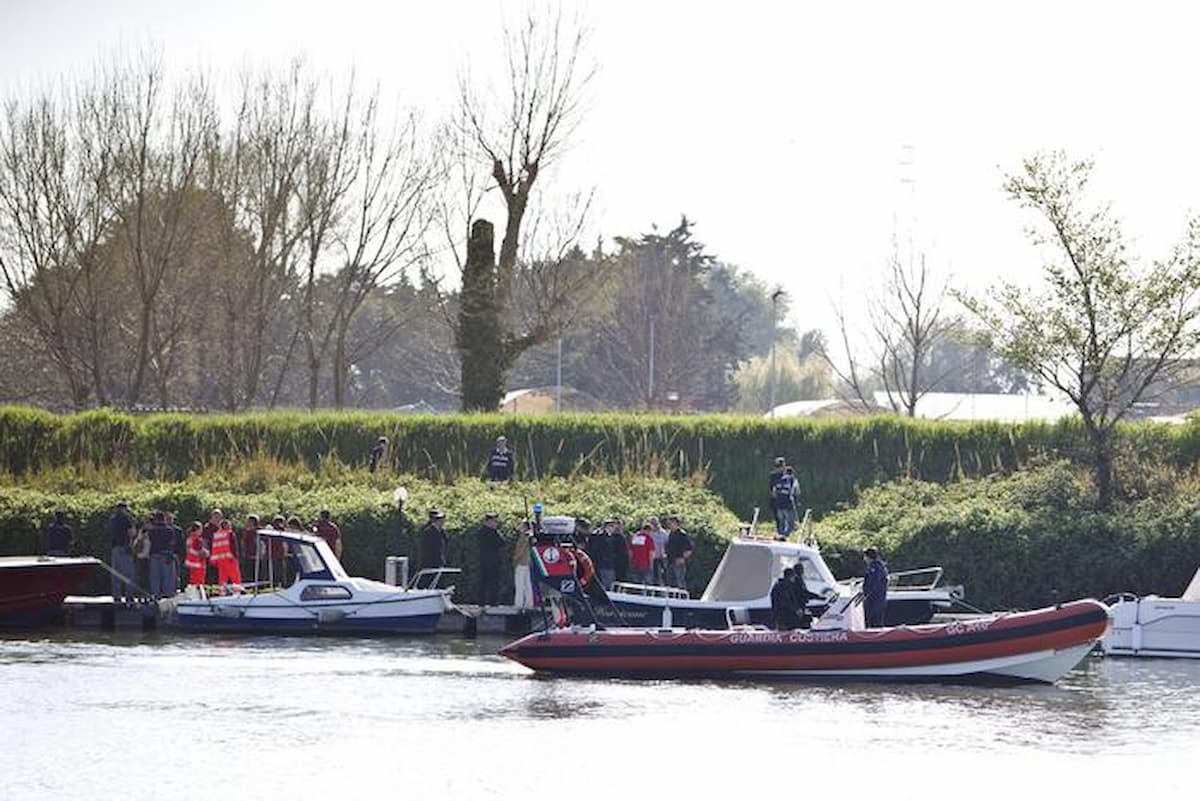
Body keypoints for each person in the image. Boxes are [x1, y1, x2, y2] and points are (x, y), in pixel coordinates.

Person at [108, 501, 136, 604]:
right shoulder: (126, 518)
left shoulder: (112, 519)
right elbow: (132, 533)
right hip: (125, 547)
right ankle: (129, 596)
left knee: (116, 574)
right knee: (129, 574)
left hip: (114, 548)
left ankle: (117, 597)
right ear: (124, 509)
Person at [147, 510, 177, 600]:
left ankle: (155, 597)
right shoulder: (169, 530)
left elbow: (150, 541)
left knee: (155, 577)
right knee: (168, 578)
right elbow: (172, 542)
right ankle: (168, 598)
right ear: (164, 519)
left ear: (156, 519)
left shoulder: (152, 531)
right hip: (166, 555)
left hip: (154, 554)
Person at [474, 512, 503, 606]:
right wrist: (496, 531)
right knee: (492, 582)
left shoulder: (479, 531)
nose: (496, 523)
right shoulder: (493, 532)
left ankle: (481, 602)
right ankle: (493, 602)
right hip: (493, 560)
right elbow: (502, 542)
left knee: (483, 581)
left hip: (483, 560)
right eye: (494, 521)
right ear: (489, 521)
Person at [211, 519, 243, 594]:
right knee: (235, 578)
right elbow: (234, 547)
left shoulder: (217, 535)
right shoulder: (230, 534)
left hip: (220, 560)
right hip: (230, 559)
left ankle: (222, 594)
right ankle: (237, 593)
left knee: (222, 579)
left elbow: (214, 548)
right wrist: (237, 557)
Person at [664, 516, 694, 591]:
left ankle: (682, 600)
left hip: (678, 562)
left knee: (680, 583)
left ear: (676, 523)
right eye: (668, 523)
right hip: (670, 561)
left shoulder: (682, 535)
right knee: (671, 583)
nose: (669, 525)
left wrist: (682, 558)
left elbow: (689, 549)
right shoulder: (670, 534)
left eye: (671, 523)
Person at [586, 520, 617, 591]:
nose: (613, 529)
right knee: (607, 583)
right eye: (612, 526)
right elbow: (597, 550)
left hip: (604, 563)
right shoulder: (601, 536)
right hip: (604, 563)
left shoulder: (600, 535)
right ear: (606, 526)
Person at [862, 546, 889, 628]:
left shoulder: (875, 568)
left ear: (869, 557)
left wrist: (866, 594)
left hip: (875, 600)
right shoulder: (878, 567)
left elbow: (873, 584)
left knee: (875, 622)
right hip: (877, 600)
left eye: (865, 556)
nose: (864, 559)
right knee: (875, 621)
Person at [770, 466, 800, 537]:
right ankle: (789, 536)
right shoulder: (793, 480)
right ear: (792, 473)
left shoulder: (778, 480)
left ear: (784, 473)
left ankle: (780, 535)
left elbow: (774, 493)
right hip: (788, 504)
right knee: (790, 522)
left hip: (779, 504)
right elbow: (797, 491)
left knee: (781, 522)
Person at [512, 519, 535, 610]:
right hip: (528, 563)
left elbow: (520, 550)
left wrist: (515, 558)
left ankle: (519, 604)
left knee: (520, 584)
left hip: (521, 562)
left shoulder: (523, 537)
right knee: (527, 584)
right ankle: (529, 603)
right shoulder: (530, 537)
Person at [627, 521, 656, 586]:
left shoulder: (635, 537)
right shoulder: (648, 538)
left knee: (636, 582)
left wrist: (630, 562)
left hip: (634, 563)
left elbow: (630, 551)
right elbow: (651, 553)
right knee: (646, 583)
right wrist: (651, 564)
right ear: (648, 530)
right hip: (645, 564)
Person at [184, 522, 208, 590]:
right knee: (199, 581)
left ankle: (193, 594)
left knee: (193, 580)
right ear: (198, 529)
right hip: (199, 563)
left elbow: (189, 550)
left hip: (191, 562)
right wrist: (205, 553)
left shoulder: (189, 538)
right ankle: (199, 595)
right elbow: (200, 551)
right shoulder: (197, 539)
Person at [646, 516, 668, 585]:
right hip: (651, 558)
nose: (654, 525)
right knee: (652, 576)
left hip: (662, 558)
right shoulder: (649, 533)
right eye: (652, 523)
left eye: (655, 523)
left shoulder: (663, 533)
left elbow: (667, 544)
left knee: (664, 576)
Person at [239, 514, 261, 582]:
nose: (248, 523)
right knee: (247, 574)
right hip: (247, 556)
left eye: (249, 521)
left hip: (256, 556)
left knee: (255, 574)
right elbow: (243, 543)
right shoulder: (245, 532)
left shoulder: (258, 532)